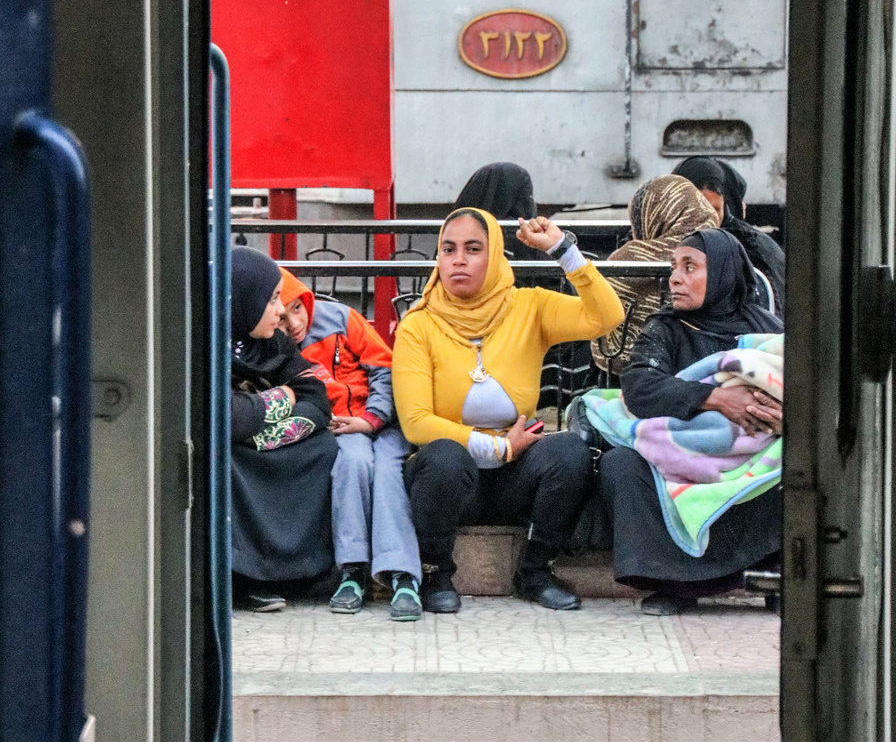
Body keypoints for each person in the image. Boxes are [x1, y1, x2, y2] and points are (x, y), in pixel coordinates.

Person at [392, 207, 625, 613]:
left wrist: (563, 250)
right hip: (450, 480)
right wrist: (497, 448)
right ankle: (436, 573)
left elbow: (607, 315)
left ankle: (534, 571)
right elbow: (415, 423)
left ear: (495, 256)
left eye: (472, 248)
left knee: (569, 452)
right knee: (443, 456)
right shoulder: (419, 325)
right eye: (448, 249)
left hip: (513, 480)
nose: (458, 259)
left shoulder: (528, 307)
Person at [596, 228, 783, 615]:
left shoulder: (766, 332)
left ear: (723, 275)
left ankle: (774, 574)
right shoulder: (665, 328)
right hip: (680, 458)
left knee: (794, 462)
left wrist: (783, 416)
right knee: (621, 464)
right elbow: (640, 387)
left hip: (747, 456)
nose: (675, 278)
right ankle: (672, 582)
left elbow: (799, 385)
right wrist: (713, 398)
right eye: (673, 268)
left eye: (689, 267)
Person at [278, 269, 423, 622]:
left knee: (390, 471)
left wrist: (372, 417)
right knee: (353, 464)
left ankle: (403, 575)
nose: (294, 323)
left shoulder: (341, 318)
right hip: (340, 429)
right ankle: (352, 569)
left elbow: (384, 368)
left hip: (384, 423)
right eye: (281, 318)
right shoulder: (276, 349)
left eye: (297, 308)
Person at [229, 247, 338, 612]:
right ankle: (245, 577)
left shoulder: (272, 341)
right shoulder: (204, 342)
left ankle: (301, 570)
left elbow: (318, 400)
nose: (280, 311)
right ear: (245, 298)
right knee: (229, 456)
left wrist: (263, 434)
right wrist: (285, 395)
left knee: (323, 447)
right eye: (273, 299)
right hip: (234, 448)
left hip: (258, 440)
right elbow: (226, 416)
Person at [591, 175, 719, 377]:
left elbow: (606, 337)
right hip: (712, 369)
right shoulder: (723, 251)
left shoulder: (630, 259)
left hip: (637, 376)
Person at [672, 156, 786, 313]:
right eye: (696, 209)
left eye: (715, 210)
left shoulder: (753, 247)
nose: (707, 217)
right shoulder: (656, 240)